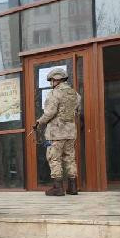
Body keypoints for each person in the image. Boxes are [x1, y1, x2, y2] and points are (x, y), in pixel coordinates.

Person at [33, 68, 81, 196]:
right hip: (70, 132)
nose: (51, 83)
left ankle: (58, 188)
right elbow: (77, 111)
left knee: (54, 158)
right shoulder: (75, 94)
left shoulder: (54, 93)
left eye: (52, 80)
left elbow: (50, 113)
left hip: (56, 133)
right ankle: (73, 187)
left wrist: (39, 122)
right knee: (70, 158)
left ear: (57, 80)